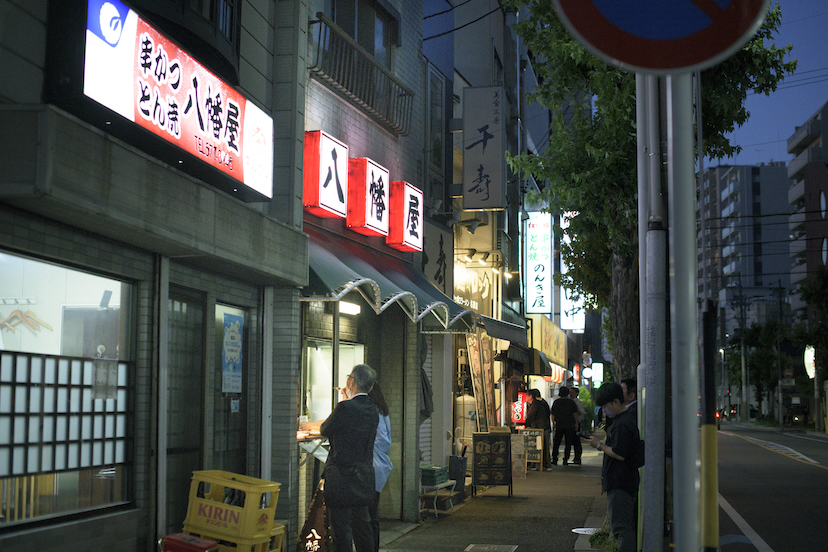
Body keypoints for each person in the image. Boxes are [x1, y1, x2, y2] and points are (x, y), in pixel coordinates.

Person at [319, 364, 379, 552]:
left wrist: (344, 401)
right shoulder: (373, 410)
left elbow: (325, 430)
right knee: (363, 527)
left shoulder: (344, 407)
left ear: (351, 381)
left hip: (342, 478)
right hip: (363, 477)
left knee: (341, 529)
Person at [587, 382, 640, 552]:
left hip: (620, 482)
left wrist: (598, 445)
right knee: (623, 526)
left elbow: (619, 453)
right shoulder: (623, 420)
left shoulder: (622, 424)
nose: (604, 411)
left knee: (621, 527)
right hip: (625, 480)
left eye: (605, 406)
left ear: (616, 402)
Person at [368, 382, 392, 552]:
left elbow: (382, 441)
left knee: (369, 515)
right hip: (379, 467)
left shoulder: (374, 413)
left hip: (373, 467)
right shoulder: (382, 412)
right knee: (371, 514)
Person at [550, 386, 579, 466]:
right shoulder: (571, 402)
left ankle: (555, 459)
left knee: (557, 443)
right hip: (569, 425)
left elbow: (553, 414)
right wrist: (576, 423)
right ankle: (565, 459)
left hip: (559, 424)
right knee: (568, 443)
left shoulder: (556, 402)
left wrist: (553, 423)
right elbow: (575, 414)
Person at [524, 389, 552, 469]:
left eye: (527, 395)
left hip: (541, 427)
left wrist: (525, 425)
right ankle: (542, 465)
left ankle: (545, 465)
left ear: (531, 396)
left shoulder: (536, 404)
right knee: (542, 447)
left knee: (542, 447)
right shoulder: (539, 403)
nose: (525, 397)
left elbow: (531, 416)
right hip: (543, 427)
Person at [569, 386, 586, 465]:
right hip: (570, 423)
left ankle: (577, 458)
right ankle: (575, 458)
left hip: (576, 423)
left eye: (572, 392)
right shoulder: (569, 401)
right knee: (572, 441)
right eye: (570, 392)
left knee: (576, 441)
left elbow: (582, 412)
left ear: (576, 394)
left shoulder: (578, 402)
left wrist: (574, 412)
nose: (570, 394)